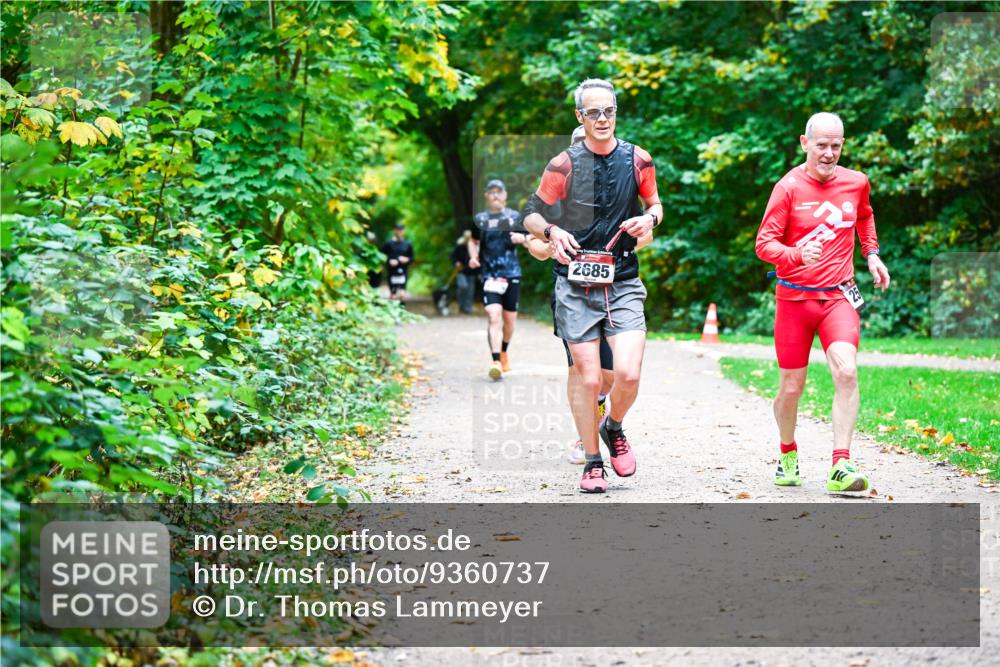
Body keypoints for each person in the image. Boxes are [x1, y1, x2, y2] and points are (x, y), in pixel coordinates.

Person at [523, 79, 662, 493]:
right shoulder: (562, 165)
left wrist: (648, 221)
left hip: (621, 280)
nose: (602, 119)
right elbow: (531, 217)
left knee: (627, 374)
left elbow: (655, 207)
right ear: (579, 118)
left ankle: (612, 425)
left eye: (609, 111)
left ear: (616, 111)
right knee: (586, 378)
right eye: (593, 112)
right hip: (574, 286)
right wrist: (551, 236)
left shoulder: (637, 160)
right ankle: (592, 461)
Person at [755, 112, 891, 493]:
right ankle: (787, 452)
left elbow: (864, 217)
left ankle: (840, 466)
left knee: (847, 372)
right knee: (791, 388)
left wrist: (873, 254)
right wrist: (797, 253)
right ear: (805, 143)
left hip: (838, 297)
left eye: (836, 145)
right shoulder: (788, 188)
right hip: (794, 301)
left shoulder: (856, 182)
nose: (829, 153)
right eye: (822, 145)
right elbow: (764, 245)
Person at [469, 179, 527, 380]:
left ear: (505, 195)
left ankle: (503, 351)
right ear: (486, 195)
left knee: (509, 323)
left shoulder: (514, 218)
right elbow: (473, 241)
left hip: (512, 274)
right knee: (493, 315)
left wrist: (523, 239)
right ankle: (495, 361)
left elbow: (533, 240)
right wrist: (473, 256)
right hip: (490, 275)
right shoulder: (481, 219)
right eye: (491, 192)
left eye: (498, 192)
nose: (495, 195)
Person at [381, 223, 414, 302]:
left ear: (404, 231)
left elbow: (412, 257)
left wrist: (407, 259)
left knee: (402, 294)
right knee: (393, 294)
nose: (399, 232)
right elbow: (381, 255)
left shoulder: (407, 244)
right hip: (392, 271)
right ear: (395, 231)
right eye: (398, 230)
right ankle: (394, 311)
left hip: (403, 271)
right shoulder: (388, 244)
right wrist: (389, 260)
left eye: (401, 230)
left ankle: (402, 310)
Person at [450, 230, 478, 314]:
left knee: (470, 290)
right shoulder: (459, 246)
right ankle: (461, 305)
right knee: (463, 287)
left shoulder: (475, 247)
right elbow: (452, 256)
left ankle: (467, 308)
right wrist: (456, 262)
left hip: (472, 272)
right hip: (461, 271)